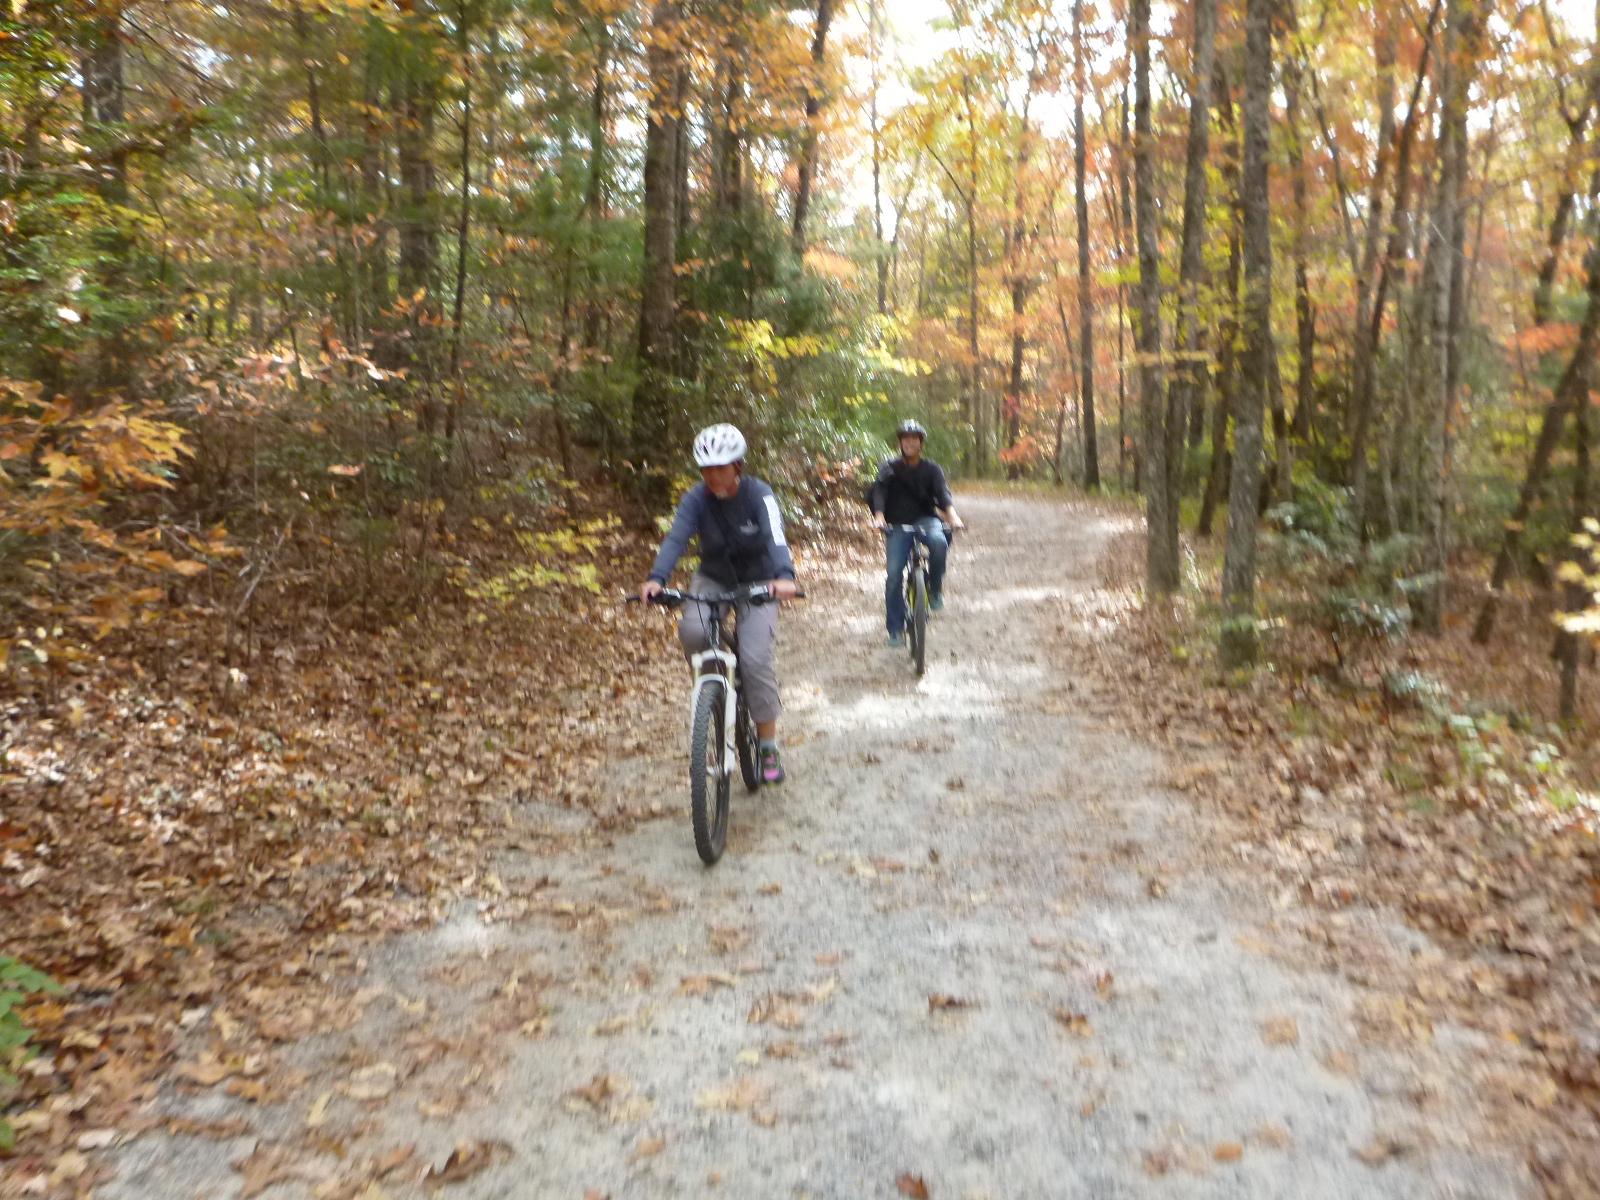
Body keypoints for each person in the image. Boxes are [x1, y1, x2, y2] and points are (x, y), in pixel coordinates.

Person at [640, 424, 799, 784]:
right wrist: (657, 578)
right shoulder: (696, 499)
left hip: (760, 581)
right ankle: (714, 698)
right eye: (706, 469)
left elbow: (776, 536)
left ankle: (768, 744)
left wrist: (784, 575)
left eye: (721, 468)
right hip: (713, 578)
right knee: (693, 631)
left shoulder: (760, 495)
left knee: (756, 658)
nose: (713, 476)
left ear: (738, 466)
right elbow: (676, 537)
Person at [869, 419, 964, 648]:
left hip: (925, 519)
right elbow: (879, 492)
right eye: (905, 438)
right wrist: (879, 516)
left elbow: (943, 495)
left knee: (939, 542)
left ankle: (934, 589)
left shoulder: (932, 469)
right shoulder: (889, 467)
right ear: (900, 442)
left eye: (914, 438)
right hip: (897, 524)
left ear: (921, 443)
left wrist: (953, 517)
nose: (909, 442)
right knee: (893, 576)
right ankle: (895, 628)